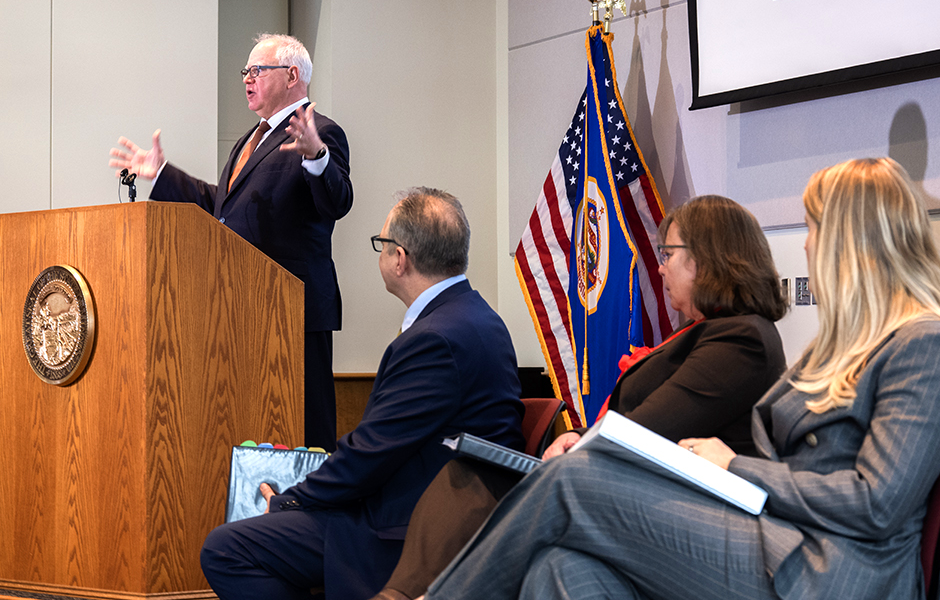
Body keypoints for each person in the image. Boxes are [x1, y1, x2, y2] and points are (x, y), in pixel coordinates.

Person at [422, 157, 940, 600]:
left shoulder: (922, 343)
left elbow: (877, 503)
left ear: (854, 240)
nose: (806, 247)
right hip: (779, 539)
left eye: (813, 228)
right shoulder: (834, 348)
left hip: (831, 571)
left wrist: (735, 466)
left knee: (576, 479)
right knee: (560, 568)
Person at [371, 195, 788, 600]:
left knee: (556, 492)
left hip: (690, 512)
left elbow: (650, 428)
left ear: (707, 258)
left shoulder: (743, 336)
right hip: (633, 483)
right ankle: (400, 594)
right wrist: (578, 436)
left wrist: (583, 444)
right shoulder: (705, 331)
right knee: (478, 474)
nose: (659, 268)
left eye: (668, 254)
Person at [199, 187, 525, 600]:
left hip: (405, 528)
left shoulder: (436, 338)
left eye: (381, 245)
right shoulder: (477, 317)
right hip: (438, 505)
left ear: (399, 258)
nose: (381, 256)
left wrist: (289, 500)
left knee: (226, 548)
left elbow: (371, 454)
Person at [108, 33, 352, 451]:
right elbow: (221, 207)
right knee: (254, 427)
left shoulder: (323, 132)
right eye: (245, 71)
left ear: (293, 75)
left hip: (293, 312)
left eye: (257, 70)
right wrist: (163, 172)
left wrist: (316, 156)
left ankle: (314, 513)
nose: (247, 79)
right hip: (239, 306)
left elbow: (338, 200)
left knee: (304, 430)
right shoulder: (248, 140)